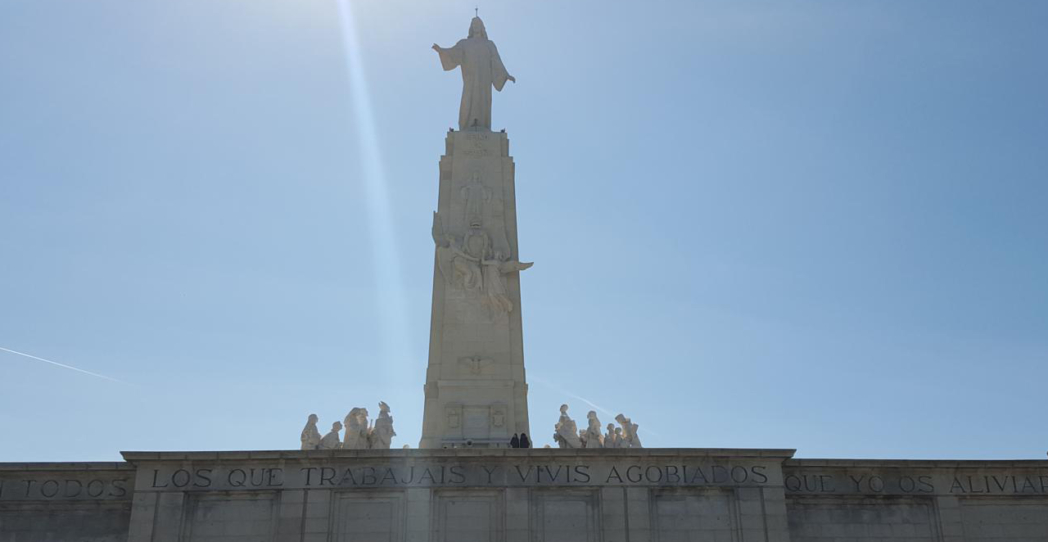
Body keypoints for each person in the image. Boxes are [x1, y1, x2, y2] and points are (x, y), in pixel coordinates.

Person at [432, 17, 516, 131]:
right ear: (471, 28)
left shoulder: (489, 44)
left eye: (478, 24)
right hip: (470, 79)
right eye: (474, 24)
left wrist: (505, 75)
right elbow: (454, 53)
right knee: (468, 100)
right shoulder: (465, 43)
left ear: (482, 27)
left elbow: (496, 61)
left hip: (484, 80)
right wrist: (441, 51)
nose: (476, 26)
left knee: (483, 100)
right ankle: (466, 126)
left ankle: (482, 126)